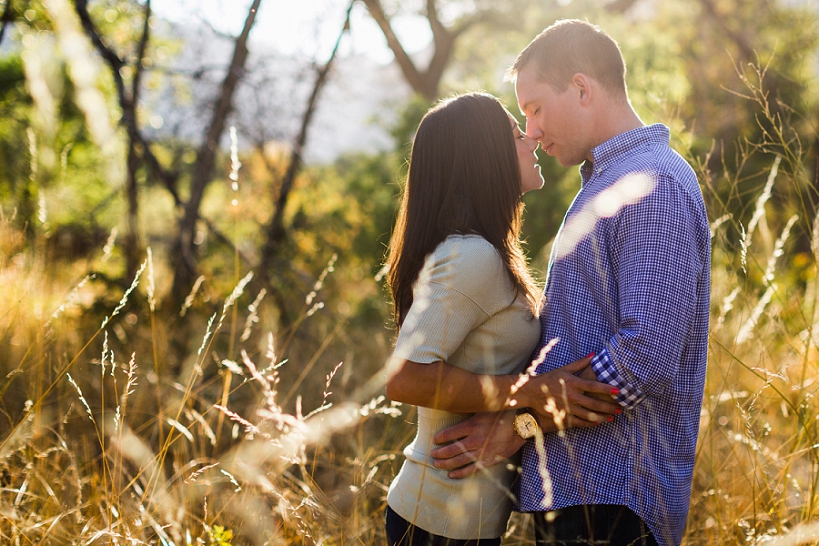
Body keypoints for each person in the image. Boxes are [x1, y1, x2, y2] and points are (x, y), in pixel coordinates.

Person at [430, 20, 711, 546]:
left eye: (535, 107)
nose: (530, 130)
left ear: (582, 88)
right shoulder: (611, 180)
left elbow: (646, 355)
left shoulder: (651, 183)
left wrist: (516, 427)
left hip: (615, 494)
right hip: (585, 494)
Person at [383, 92, 621, 545]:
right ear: (484, 159)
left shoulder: (489, 253)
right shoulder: (470, 256)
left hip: (463, 523)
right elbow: (405, 378)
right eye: (516, 133)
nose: (531, 138)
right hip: (434, 520)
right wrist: (531, 392)